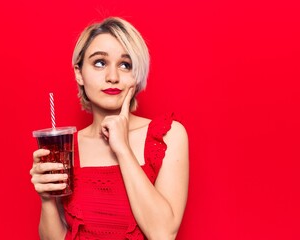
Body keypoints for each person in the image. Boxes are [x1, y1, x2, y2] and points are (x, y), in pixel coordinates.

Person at [30, 17, 189, 240]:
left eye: (125, 65)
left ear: (137, 75)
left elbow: (162, 234)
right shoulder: (66, 147)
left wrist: (122, 148)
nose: (112, 77)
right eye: (99, 63)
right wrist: (46, 199)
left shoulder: (168, 135)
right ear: (79, 73)